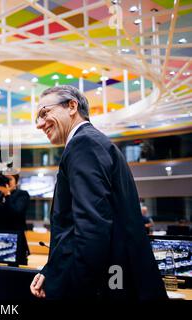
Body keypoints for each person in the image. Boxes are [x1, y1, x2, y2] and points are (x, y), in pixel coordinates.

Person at [29, 85, 167, 300]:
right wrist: (51, 269)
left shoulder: (83, 144)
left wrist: (75, 291)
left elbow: (92, 227)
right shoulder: (92, 142)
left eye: (44, 113)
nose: (39, 124)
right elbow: (75, 230)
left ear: (72, 106)